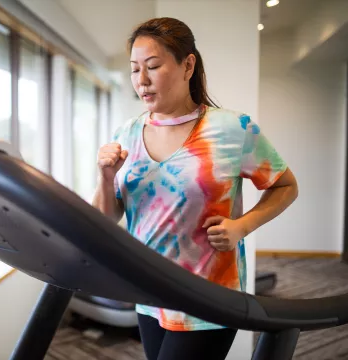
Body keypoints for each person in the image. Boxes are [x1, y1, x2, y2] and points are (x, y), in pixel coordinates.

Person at [92, 17, 298, 360]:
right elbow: (103, 219)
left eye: (153, 66)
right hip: (148, 295)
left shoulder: (233, 128)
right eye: (134, 69)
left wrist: (242, 226)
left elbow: (286, 186)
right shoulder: (125, 134)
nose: (141, 81)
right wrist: (105, 176)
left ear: (188, 65)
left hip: (209, 298)